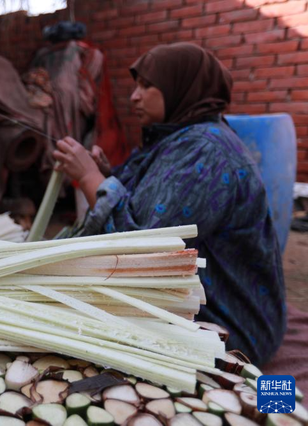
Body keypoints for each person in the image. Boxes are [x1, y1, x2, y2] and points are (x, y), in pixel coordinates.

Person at [53, 42, 285, 366]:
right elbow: (152, 200)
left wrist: (91, 178)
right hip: (210, 311)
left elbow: (144, 249)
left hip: (231, 329)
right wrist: (108, 176)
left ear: (182, 87)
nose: (134, 96)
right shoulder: (180, 137)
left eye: (147, 86)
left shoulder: (205, 151)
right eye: (136, 85)